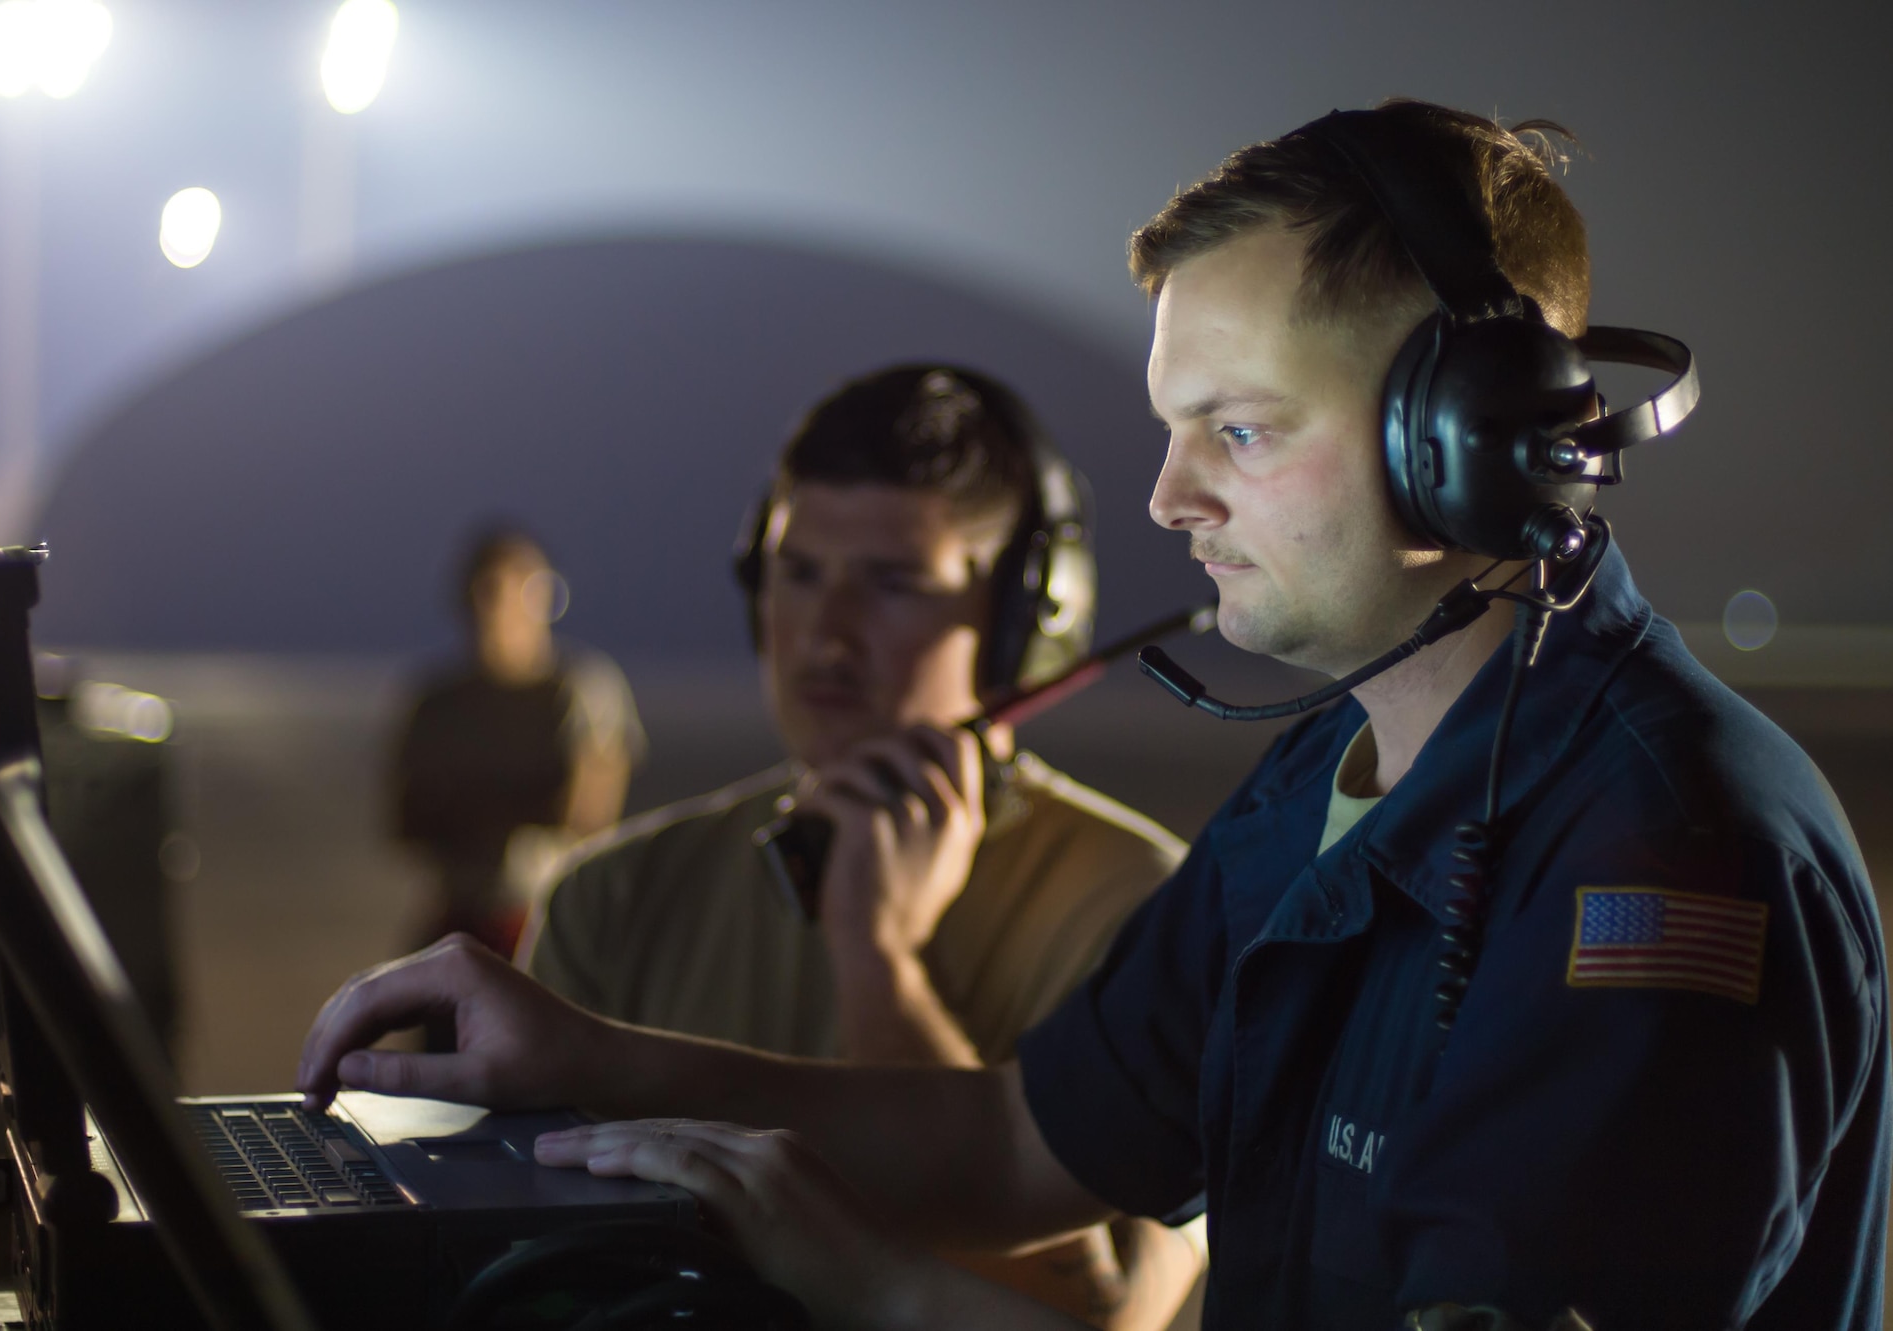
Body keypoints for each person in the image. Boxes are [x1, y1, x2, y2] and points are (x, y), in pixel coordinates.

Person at [302, 101, 1887, 1330]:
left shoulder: (1666, 865)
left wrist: (885, 1289)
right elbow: (1015, 1141)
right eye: (1171, 427)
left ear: (1463, 447)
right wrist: (588, 1052)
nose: (1171, 494)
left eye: (1242, 429)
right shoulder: (1315, 798)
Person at [515, 364, 1203, 1329]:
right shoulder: (614, 898)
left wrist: (880, 963)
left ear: (1027, 620)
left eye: (893, 583)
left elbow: (1088, 1308)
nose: (823, 636)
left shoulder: (1151, 908)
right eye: (798, 574)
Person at [391, 528, 644, 962]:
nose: (499, 611)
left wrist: (463, 804)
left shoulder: (581, 691)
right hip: (459, 925)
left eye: (517, 592)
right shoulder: (437, 703)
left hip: (549, 922)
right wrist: (528, 798)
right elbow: (404, 819)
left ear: (547, 597)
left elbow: (587, 812)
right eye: (487, 593)